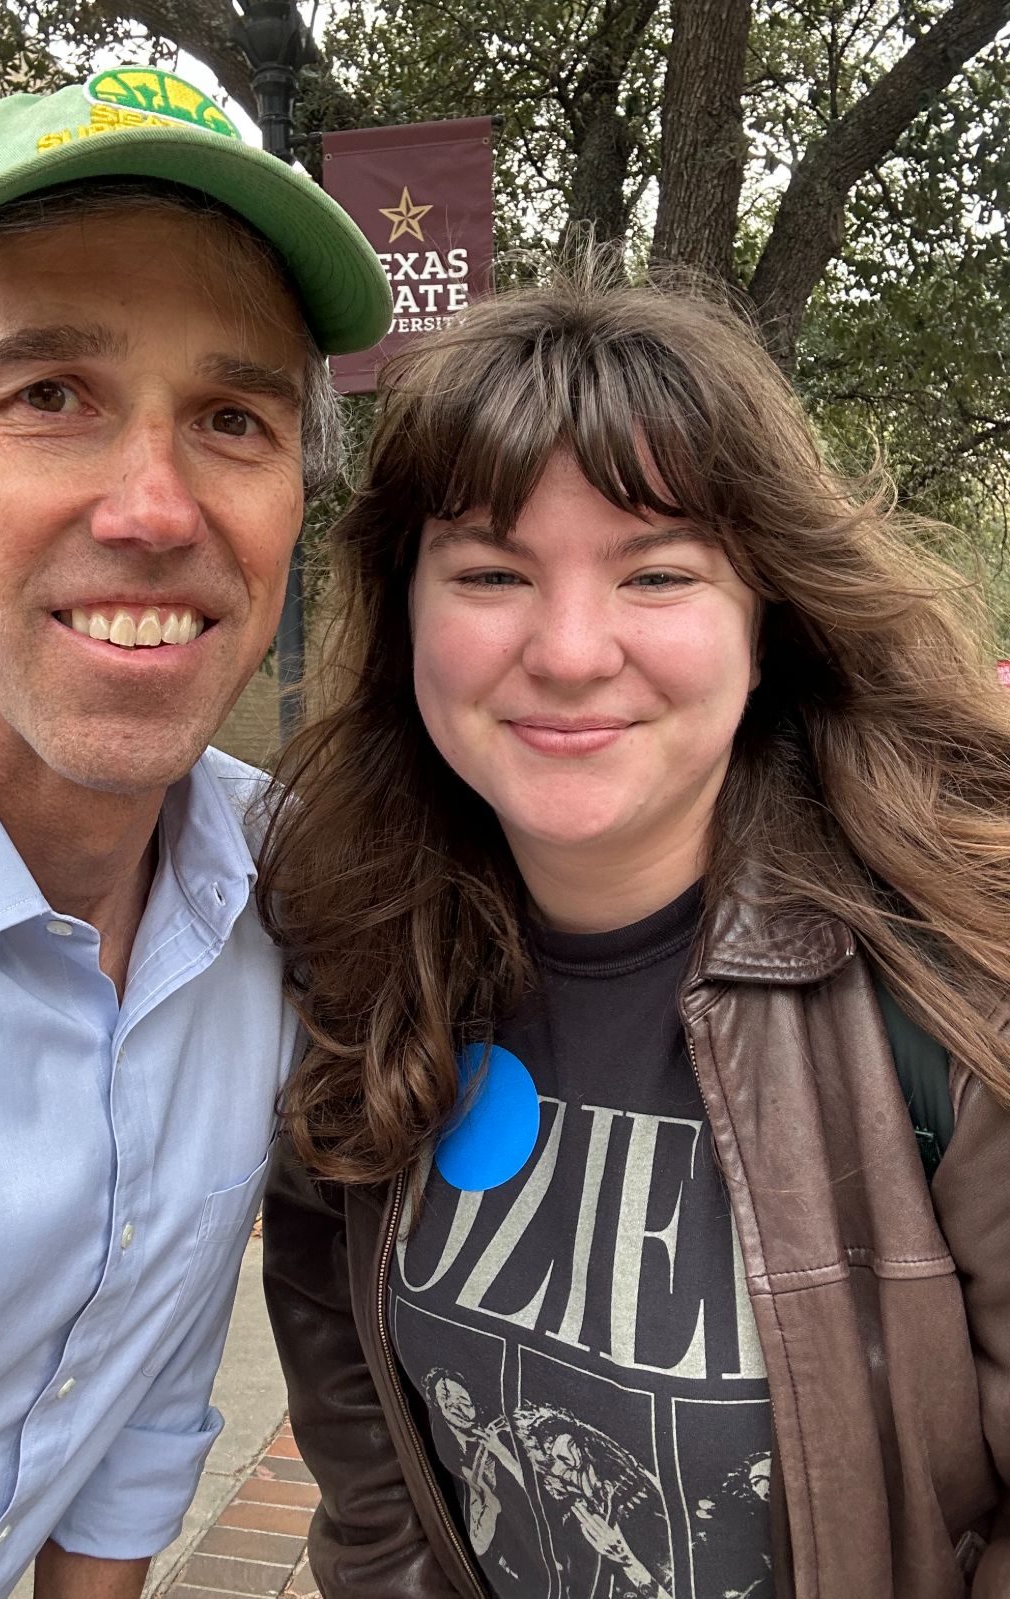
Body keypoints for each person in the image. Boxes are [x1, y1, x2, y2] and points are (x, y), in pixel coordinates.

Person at [258, 255, 1010, 1599]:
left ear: (763, 617)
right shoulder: (355, 947)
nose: (568, 647)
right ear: (410, 615)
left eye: (656, 576)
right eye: (491, 573)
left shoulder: (961, 985)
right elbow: (349, 1373)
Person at [0, 66, 389, 1599]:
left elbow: (139, 1401)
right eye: (49, 394)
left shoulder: (285, 890)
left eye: (230, 416)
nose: (153, 505)